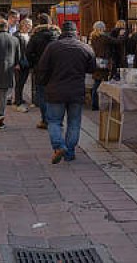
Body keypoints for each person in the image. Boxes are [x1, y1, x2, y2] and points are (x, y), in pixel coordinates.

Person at [36, 21, 96, 164]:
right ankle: (69, 152)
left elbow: (42, 68)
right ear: (76, 32)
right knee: (74, 122)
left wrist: (43, 84)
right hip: (76, 91)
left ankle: (59, 146)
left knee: (55, 121)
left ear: (62, 32)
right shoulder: (85, 47)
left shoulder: (52, 47)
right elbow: (92, 68)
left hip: (56, 90)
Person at [21, 14, 60, 123]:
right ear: (50, 21)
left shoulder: (35, 36)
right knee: (55, 94)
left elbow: (28, 53)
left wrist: (34, 64)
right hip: (55, 69)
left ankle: (45, 119)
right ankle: (56, 118)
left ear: (39, 23)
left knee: (42, 94)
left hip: (40, 68)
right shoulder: (57, 35)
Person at [89, 21, 123, 110]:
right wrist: (122, 35)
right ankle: (100, 104)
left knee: (96, 82)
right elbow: (117, 42)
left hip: (96, 61)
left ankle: (94, 104)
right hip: (104, 62)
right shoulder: (104, 37)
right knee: (101, 83)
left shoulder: (93, 37)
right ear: (102, 28)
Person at [12, 18, 33, 108]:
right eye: (28, 24)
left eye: (30, 25)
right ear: (23, 24)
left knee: (23, 82)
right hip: (19, 62)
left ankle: (19, 97)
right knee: (18, 82)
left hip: (26, 62)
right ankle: (17, 100)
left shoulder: (29, 35)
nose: (29, 26)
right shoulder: (16, 35)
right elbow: (14, 50)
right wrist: (16, 63)